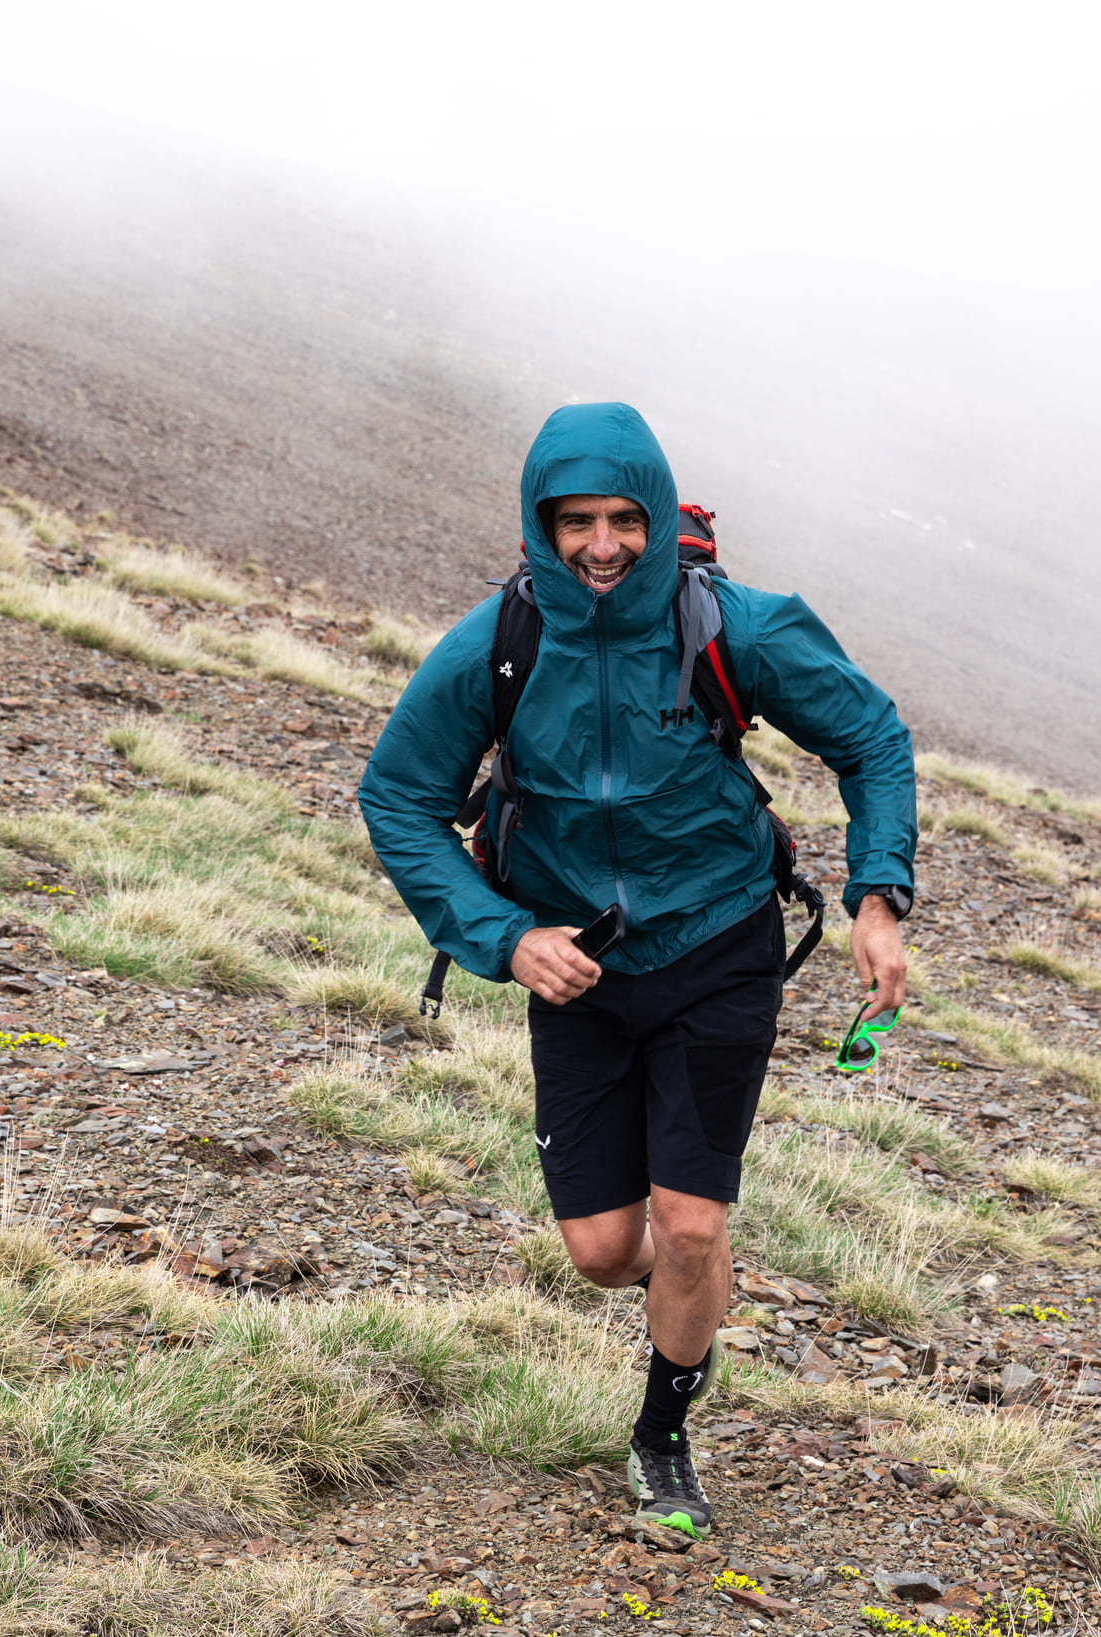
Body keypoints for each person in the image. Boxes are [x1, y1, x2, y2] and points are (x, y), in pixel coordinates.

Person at [358, 401, 916, 1539]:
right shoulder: (497, 645)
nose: (602, 543)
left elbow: (870, 735)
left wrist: (877, 894)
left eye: (622, 518)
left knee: (693, 1225)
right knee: (608, 1251)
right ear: (541, 524)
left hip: (718, 950)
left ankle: (662, 1432)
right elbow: (398, 798)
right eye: (576, 521)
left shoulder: (732, 625)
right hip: (579, 972)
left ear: (657, 518)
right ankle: (688, 1284)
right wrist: (506, 935)